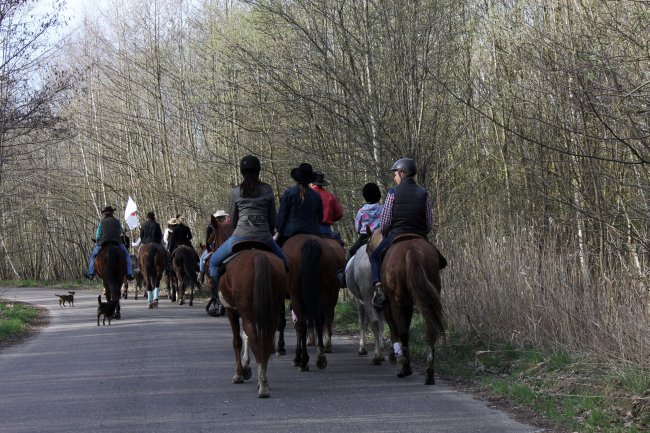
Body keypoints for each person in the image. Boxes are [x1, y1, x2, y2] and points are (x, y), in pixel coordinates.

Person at [208, 155, 288, 313]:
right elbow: (273, 218)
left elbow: (233, 218)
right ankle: (286, 296)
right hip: (264, 237)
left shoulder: (236, 191)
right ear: (258, 171)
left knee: (214, 262)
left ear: (242, 171)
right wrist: (269, 229)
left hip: (240, 237)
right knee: (286, 263)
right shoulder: (268, 189)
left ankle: (216, 299)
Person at [369, 158, 433, 307]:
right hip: (420, 236)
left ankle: (379, 289)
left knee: (375, 257)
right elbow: (429, 222)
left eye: (396, 174)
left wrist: (385, 234)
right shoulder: (423, 193)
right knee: (440, 261)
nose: (394, 177)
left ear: (403, 173)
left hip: (395, 235)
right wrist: (422, 235)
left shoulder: (392, 193)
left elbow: (385, 221)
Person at [336, 182, 382, 288]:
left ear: (365, 197)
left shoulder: (361, 211)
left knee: (352, 252)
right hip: (379, 237)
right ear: (379, 195)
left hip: (364, 238)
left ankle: (343, 277)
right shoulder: (382, 208)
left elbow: (357, 227)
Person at [276, 162, 323, 246]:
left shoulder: (289, 193)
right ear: (310, 179)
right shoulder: (316, 196)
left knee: (276, 253)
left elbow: (282, 216)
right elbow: (320, 218)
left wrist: (279, 229)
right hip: (313, 232)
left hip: (291, 232)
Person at [85, 206, 134, 280]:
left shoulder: (102, 222)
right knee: (127, 255)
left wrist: (98, 241)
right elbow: (120, 231)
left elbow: (98, 234)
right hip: (116, 242)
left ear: (104, 214)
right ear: (112, 213)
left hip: (103, 242)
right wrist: (123, 232)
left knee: (93, 256)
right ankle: (129, 273)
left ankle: (91, 273)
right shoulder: (117, 221)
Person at [310, 171, 344, 243]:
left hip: (309, 228)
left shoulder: (306, 194)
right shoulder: (330, 195)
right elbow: (339, 214)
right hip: (325, 229)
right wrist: (329, 217)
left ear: (312, 182)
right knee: (340, 244)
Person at [198, 210, 228, 283]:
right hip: (226, 245)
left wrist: (208, 248)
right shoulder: (226, 225)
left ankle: (201, 275)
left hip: (213, 246)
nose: (224, 218)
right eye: (223, 217)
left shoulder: (211, 225)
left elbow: (208, 239)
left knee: (202, 259)